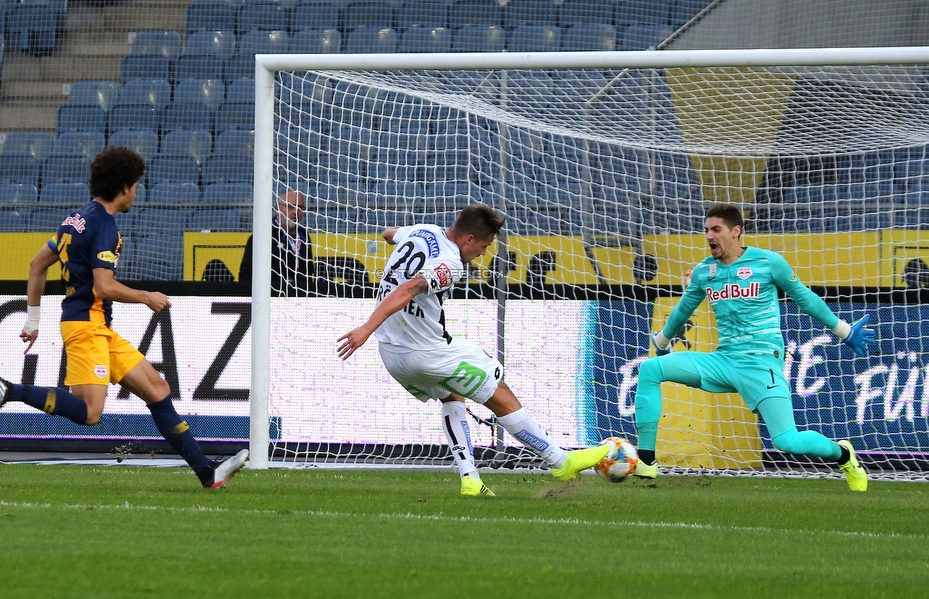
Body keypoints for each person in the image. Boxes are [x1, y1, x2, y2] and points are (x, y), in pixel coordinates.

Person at [0, 146, 249, 489]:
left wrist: (33, 319)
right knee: (91, 412)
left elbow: (37, 265)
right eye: (135, 185)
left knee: (157, 388)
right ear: (124, 187)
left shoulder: (74, 220)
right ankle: (7, 389)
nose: (136, 192)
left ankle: (205, 471)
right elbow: (104, 286)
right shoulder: (105, 226)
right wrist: (146, 296)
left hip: (97, 327)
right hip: (85, 327)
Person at [337, 204, 611, 496]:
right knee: (499, 393)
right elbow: (410, 288)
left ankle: (470, 479)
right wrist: (365, 328)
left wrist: (403, 239)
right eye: (484, 245)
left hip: (391, 353)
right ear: (468, 239)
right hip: (425, 352)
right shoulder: (451, 263)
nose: (482, 253)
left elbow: (387, 234)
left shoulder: (422, 231)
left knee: (451, 394)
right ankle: (561, 460)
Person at [634, 202, 875, 491]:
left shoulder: (769, 262)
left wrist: (844, 330)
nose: (709, 235)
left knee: (788, 441)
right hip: (723, 362)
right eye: (706, 230)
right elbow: (684, 310)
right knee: (650, 369)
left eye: (716, 229)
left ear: (735, 231)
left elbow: (804, 298)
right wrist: (661, 341)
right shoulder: (704, 271)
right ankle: (646, 462)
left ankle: (844, 454)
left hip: (762, 363)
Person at [238, 189, 317, 296]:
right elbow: (246, 275)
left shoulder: (304, 236)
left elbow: (308, 272)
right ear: (278, 208)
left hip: (299, 301)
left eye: (300, 208)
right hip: (270, 299)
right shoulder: (262, 236)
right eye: (290, 207)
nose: (295, 212)